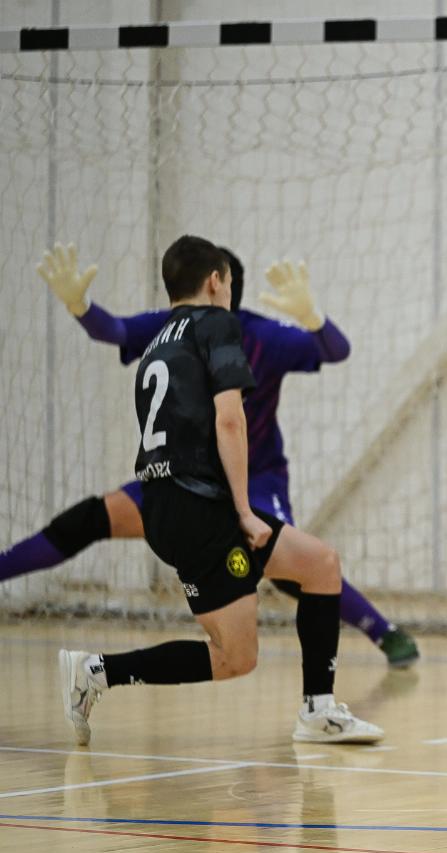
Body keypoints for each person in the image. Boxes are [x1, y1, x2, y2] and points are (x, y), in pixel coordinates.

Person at [6, 242, 420, 667]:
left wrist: (313, 316)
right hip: (183, 477)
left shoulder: (259, 336)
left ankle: (383, 631)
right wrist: (81, 305)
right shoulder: (175, 326)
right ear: (219, 283)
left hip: (253, 477)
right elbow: (112, 330)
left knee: (290, 563)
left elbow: (334, 350)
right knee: (89, 519)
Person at [58, 236, 384, 746]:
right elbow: (229, 421)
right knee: (235, 658)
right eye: (229, 283)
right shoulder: (217, 323)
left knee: (320, 565)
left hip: (168, 502)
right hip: (198, 508)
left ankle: (318, 711)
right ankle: (95, 672)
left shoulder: (160, 339)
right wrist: (244, 511)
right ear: (216, 281)